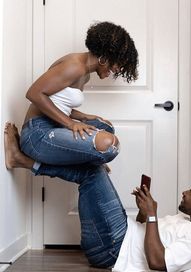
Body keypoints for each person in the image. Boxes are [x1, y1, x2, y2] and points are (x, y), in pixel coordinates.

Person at [4, 123, 191, 272]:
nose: (184, 192)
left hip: (113, 249)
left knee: (94, 171)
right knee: (94, 168)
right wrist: (144, 211)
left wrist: (153, 215)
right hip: (118, 238)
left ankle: (24, 158)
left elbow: (156, 262)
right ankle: (27, 157)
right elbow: (146, 235)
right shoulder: (184, 222)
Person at [20, 21, 138, 167]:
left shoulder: (85, 74)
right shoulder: (75, 66)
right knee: (108, 146)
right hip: (36, 132)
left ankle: (92, 161)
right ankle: (23, 160)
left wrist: (82, 116)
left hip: (53, 124)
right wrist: (71, 123)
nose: (118, 69)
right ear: (104, 58)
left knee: (106, 127)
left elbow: (57, 101)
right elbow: (34, 94)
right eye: (117, 64)